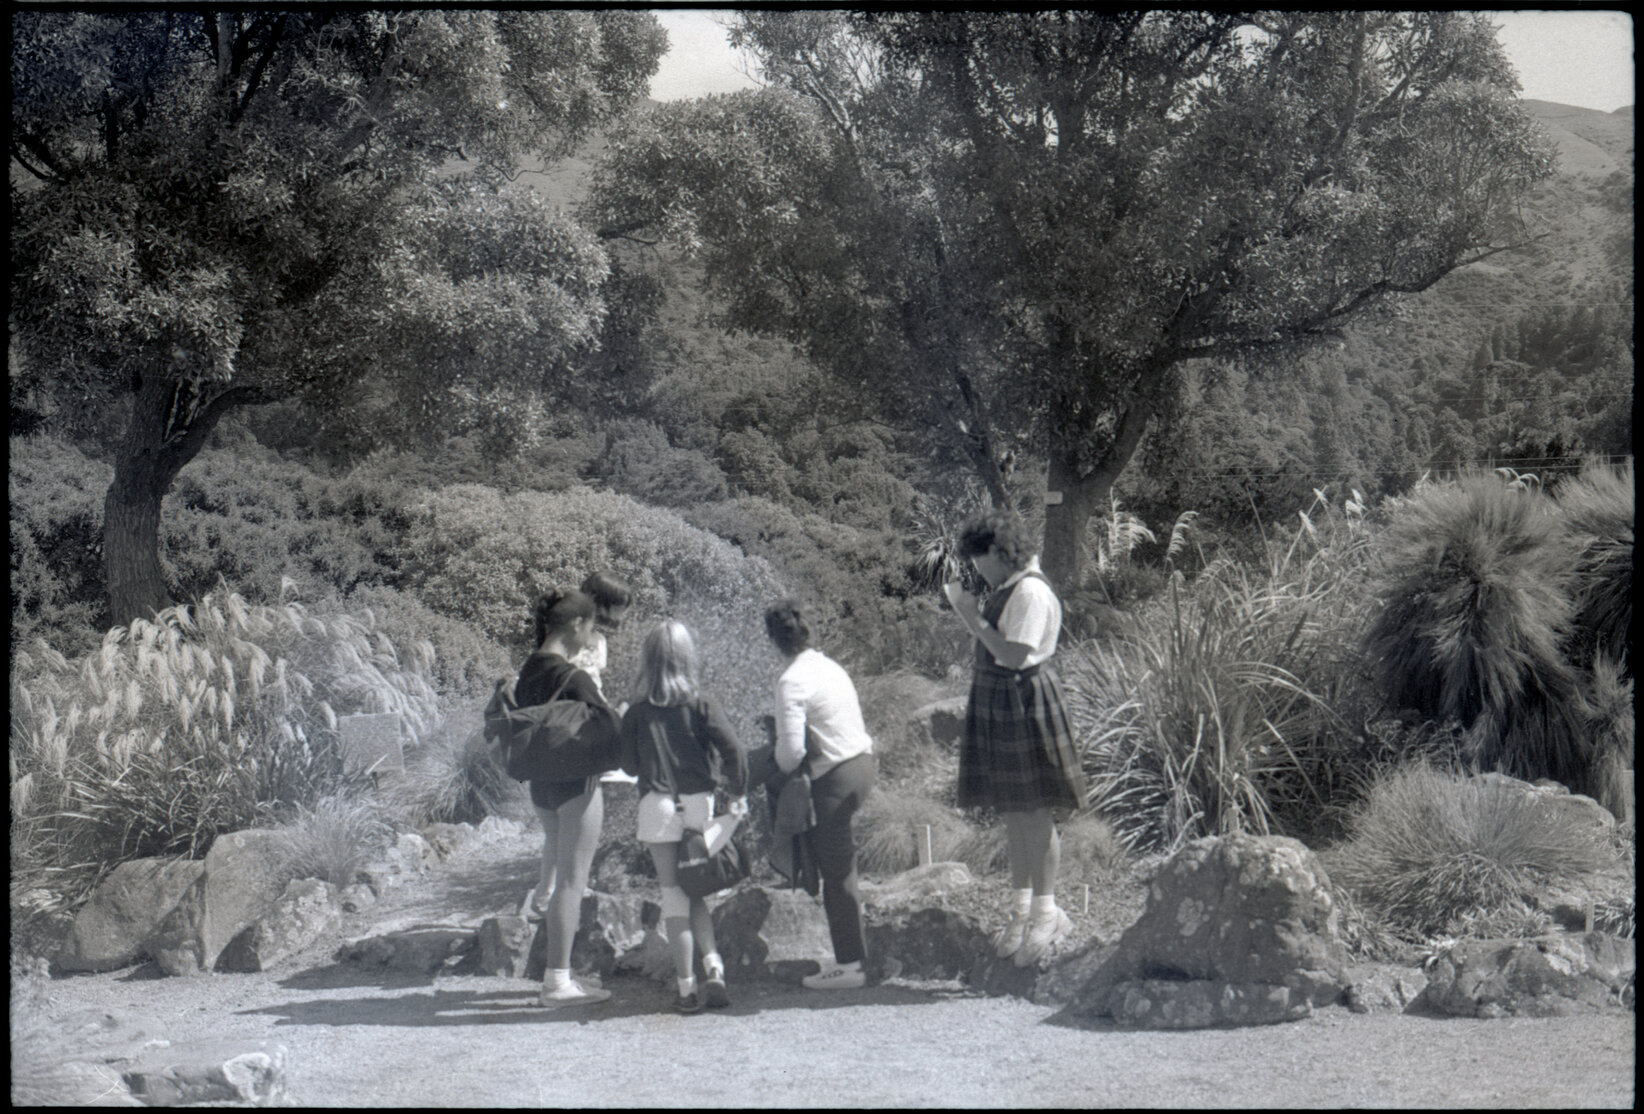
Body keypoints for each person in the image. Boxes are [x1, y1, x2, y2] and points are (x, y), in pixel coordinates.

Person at [944, 509, 1088, 967]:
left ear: (999, 552)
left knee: (1036, 811)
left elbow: (1011, 655)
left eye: (979, 558)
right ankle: (1023, 909)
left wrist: (969, 617)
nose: (977, 570)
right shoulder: (1009, 587)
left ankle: (1047, 913)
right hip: (1004, 703)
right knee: (1014, 811)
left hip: (1025, 700)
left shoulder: (1029, 591)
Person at [618, 620, 748, 1014]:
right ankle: (714, 967)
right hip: (698, 805)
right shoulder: (702, 704)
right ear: (687, 657)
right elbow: (736, 752)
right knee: (697, 891)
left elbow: (627, 765)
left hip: (657, 805)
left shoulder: (638, 712)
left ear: (649, 660)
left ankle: (687, 989)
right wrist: (737, 792)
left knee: (675, 896)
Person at [763, 599, 876, 990]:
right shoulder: (829, 666)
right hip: (862, 765)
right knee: (841, 865)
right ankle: (854, 958)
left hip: (834, 778)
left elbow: (790, 755)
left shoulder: (791, 680)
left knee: (837, 871)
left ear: (773, 641)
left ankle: (851, 966)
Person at [517, 588, 622, 1007]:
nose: (592, 636)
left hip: (541, 788)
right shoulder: (573, 676)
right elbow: (612, 728)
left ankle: (559, 977)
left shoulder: (528, 670)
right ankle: (557, 982)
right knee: (572, 884)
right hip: (577, 785)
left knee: (561, 878)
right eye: (592, 626)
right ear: (578, 625)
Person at [573, 571, 639, 786]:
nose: (623, 613)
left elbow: (594, 682)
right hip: (574, 712)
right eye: (620, 605)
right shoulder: (567, 634)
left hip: (593, 711)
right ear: (602, 601)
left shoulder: (599, 640)